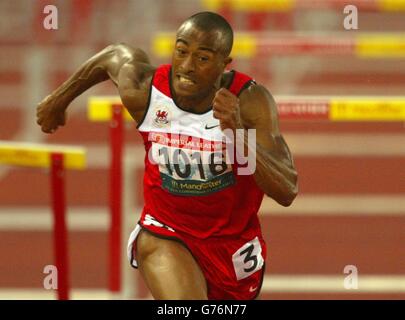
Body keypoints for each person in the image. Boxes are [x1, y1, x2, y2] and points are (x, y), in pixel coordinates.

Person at [36, 11, 298, 300]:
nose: (186, 66)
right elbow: (112, 56)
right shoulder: (147, 91)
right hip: (166, 230)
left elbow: (286, 190)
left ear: (224, 65)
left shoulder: (249, 103)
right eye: (181, 51)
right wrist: (58, 100)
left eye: (202, 58)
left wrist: (236, 132)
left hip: (232, 246)